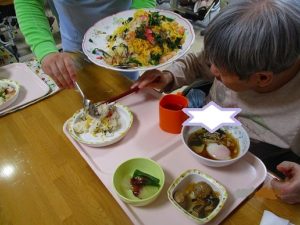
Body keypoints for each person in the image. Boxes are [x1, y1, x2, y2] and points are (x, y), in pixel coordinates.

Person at [132, 0, 300, 204]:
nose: (212, 71)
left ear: (262, 78)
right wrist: (168, 76)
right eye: (212, 63)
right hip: (199, 134)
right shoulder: (233, 56)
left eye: (219, 74)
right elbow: (196, 62)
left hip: (254, 171)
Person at [14, 0, 156, 88]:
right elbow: (28, 2)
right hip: (76, 49)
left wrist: (139, 17)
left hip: (125, 44)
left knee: (126, 95)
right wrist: (44, 49)